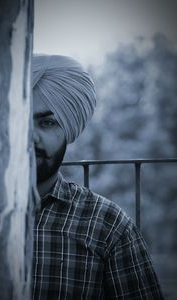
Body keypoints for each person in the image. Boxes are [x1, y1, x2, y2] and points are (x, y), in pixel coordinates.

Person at [32, 54, 164, 299]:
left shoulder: (107, 224)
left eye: (47, 122)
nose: (31, 137)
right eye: (19, 119)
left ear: (69, 130)